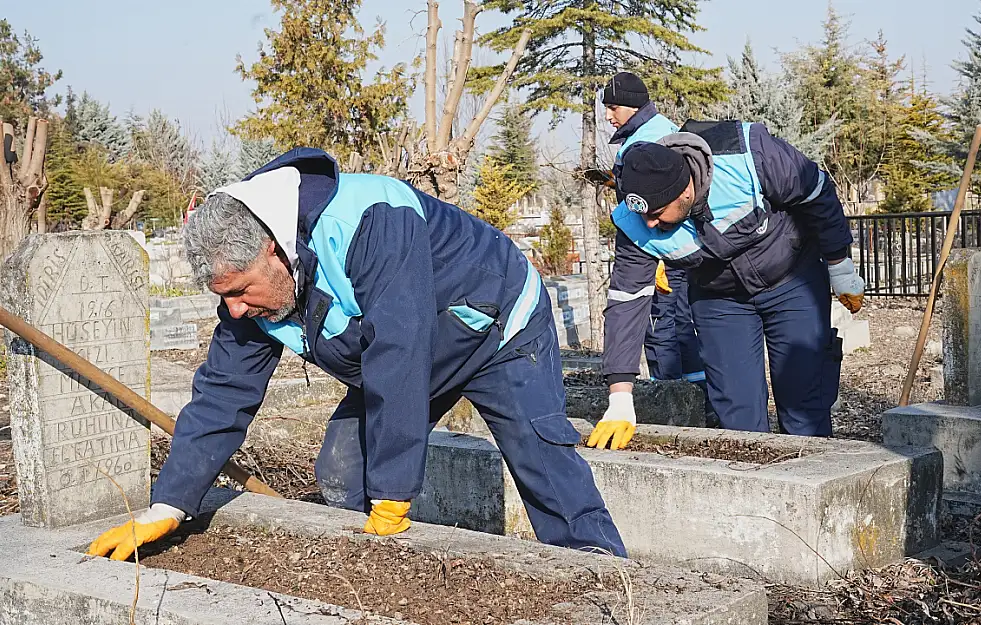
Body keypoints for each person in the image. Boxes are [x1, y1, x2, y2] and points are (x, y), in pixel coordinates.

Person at [87, 148, 626, 561]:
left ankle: (602, 575)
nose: (232, 310)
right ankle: (386, 572)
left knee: (545, 464)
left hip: (496, 326)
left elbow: (398, 350)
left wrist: (394, 490)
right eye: (222, 296)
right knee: (346, 468)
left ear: (274, 251)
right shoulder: (253, 289)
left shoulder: (368, 219)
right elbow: (222, 394)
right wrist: (169, 503)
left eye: (240, 290)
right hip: (415, 344)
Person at [586, 121, 865, 450]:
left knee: (804, 403)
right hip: (718, 298)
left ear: (685, 192)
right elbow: (627, 299)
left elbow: (815, 190)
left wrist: (838, 263)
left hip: (791, 278)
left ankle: (813, 481)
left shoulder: (749, 155)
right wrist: (620, 395)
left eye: (658, 213)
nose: (649, 223)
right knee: (737, 418)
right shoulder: (636, 221)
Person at [601, 71, 712, 420]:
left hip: (658, 250)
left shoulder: (639, 144)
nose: (608, 116)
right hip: (680, 246)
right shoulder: (666, 127)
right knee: (682, 320)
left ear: (633, 105)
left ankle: (671, 399)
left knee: (658, 323)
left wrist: (656, 249)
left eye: (613, 107)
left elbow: (648, 204)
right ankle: (702, 398)